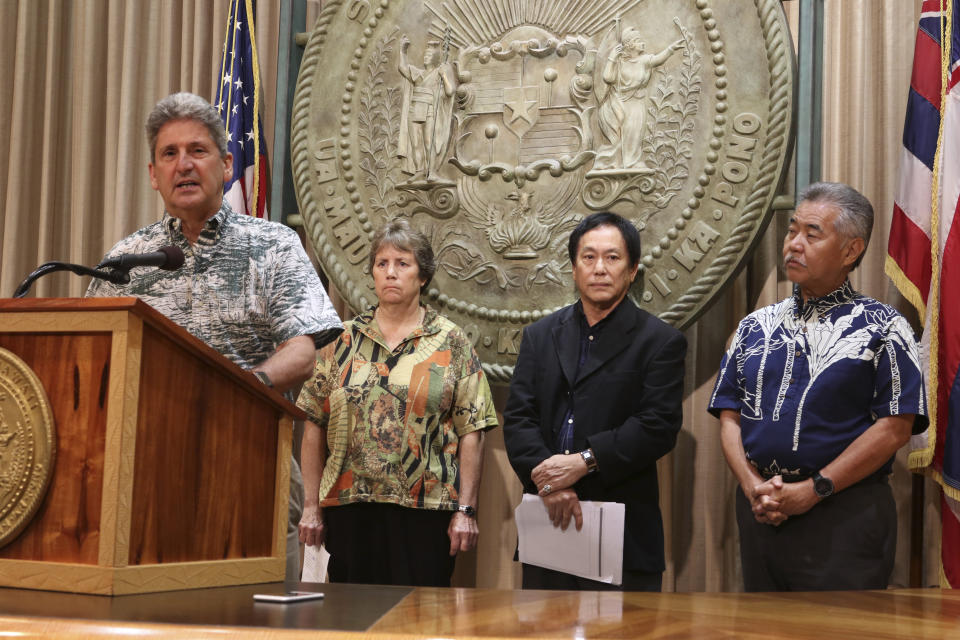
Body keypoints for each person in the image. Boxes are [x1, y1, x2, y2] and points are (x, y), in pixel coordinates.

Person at [86, 92, 343, 581]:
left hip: (250, 465)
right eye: (170, 153)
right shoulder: (126, 260)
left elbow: (304, 351)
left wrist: (238, 389)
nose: (184, 164)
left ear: (226, 165)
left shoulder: (272, 245)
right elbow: (94, 358)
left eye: (198, 151)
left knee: (263, 622)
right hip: (145, 476)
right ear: (153, 173)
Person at [708, 182, 928, 591]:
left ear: (851, 251)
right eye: (792, 231)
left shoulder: (884, 328)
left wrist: (814, 489)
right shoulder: (755, 326)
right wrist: (753, 485)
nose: (794, 244)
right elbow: (729, 416)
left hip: (844, 517)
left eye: (812, 234)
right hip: (762, 513)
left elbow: (896, 427)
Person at [296, 219, 498, 587]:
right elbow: (312, 423)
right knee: (351, 621)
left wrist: (466, 510)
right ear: (372, 272)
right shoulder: (341, 340)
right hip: (349, 508)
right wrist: (311, 506)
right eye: (382, 263)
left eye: (403, 264)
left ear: (423, 276)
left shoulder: (451, 341)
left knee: (420, 618)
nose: (391, 273)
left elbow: (474, 430)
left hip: (426, 513)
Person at [503, 211, 687, 592]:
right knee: (541, 633)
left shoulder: (660, 341)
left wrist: (583, 463)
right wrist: (551, 483)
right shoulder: (540, 336)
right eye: (589, 257)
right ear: (573, 268)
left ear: (633, 269)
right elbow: (519, 418)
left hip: (622, 529)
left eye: (612, 257)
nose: (599, 268)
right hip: (548, 519)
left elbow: (657, 427)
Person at [594, 28, 683, 171]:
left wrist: (671, 49)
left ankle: (631, 162)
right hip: (621, 103)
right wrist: (612, 58)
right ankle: (619, 161)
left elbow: (657, 59)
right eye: (638, 41)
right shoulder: (619, 62)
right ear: (629, 44)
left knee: (636, 133)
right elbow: (608, 78)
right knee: (625, 132)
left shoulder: (643, 60)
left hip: (637, 102)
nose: (642, 43)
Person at [397, 35, 456, 181]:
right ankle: (420, 170)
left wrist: (444, 76)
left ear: (436, 58)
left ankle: (433, 171)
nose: (425, 57)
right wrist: (402, 52)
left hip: (429, 110)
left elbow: (450, 91)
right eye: (425, 54)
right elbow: (402, 68)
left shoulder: (439, 72)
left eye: (429, 55)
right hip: (414, 109)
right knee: (416, 143)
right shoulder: (418, 73)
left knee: (429, 142)